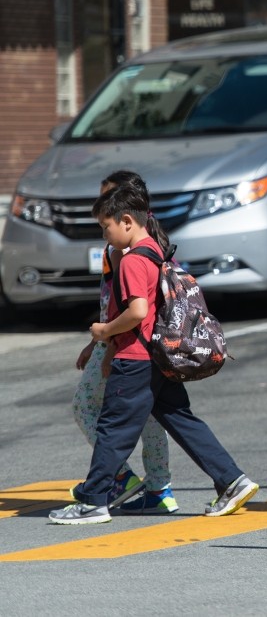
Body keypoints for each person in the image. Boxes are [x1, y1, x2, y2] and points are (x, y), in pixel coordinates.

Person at [49, 183, 258, 524]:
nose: (105, 234)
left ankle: (92, 502)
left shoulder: (132, 260)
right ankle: (232, 480)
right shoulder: (154, 250)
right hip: (158, 358)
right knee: (182, 420)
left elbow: (137, 311)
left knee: (113, 429)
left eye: (106, 226)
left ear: (127, 221)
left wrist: (104, 332)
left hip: (135, 359)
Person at [71, 170, 177, 514]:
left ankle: (117, 479)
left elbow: (135, 307)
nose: (102, 209)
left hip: (127, 342)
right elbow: (111, 297)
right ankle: (160, 488)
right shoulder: (139, 241)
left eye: (107, 201)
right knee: (153, 416)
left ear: (125, 209)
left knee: (90, 408)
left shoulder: (128, 251)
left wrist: (109, 343)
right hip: (123, 339)